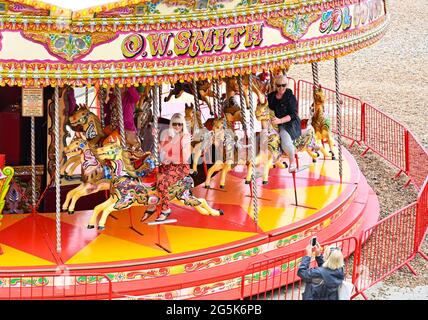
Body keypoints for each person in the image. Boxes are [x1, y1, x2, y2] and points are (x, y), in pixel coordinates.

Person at [141, 113, 191, 222]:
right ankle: (152, 206)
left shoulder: (185, 137)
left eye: (180, 124)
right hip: (167, 166)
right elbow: (160, 148)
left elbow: (185, 157)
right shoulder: (168, 135)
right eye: (175, 124)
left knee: (162, 180)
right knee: (150, 177)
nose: (177, 126)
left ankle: (166, 209)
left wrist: (170, 158)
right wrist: (155, 136)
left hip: (180, 167)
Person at [267, 75, 301, 172]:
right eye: (278, 85)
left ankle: (292, 161)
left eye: (283, 85)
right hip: (274, 122)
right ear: (275, 85)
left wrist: (280, 121)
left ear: (287, 85)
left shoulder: (291, 97)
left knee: (285, 140)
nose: (281, 88)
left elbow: (293, 114)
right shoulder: (271, 97)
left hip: (288, 123)